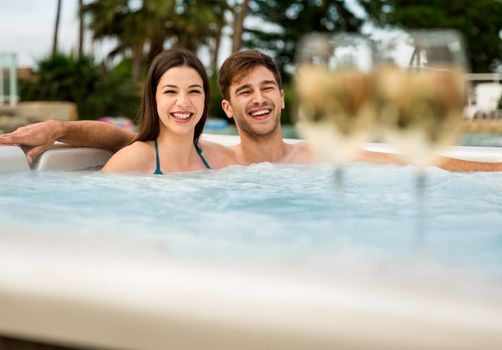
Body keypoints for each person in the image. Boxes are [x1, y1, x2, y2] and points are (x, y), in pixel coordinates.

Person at [0, 50, 501, 172]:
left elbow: (420, 164)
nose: (259, 98)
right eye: (245, 92)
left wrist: (495, 168)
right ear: (227, 107)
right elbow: (132, 144)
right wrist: (63, 128)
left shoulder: (317, 156)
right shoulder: (216, 158)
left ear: (284, 98)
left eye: (268, 88)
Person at [100, 48, 233, 173]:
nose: (183, 102)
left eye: (194, 91)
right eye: (170, 91)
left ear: (205, 97)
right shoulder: (131, 160)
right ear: (153, 98)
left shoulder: (219, 160)